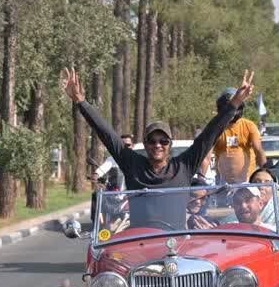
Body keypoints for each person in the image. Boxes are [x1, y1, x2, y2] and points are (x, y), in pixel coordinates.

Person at [61, 67, 253, 228]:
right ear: (145, 144)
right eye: (152, 141)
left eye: (163, 141)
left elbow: (210, 134)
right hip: (140, 246)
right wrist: (80, 101)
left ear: (170, 144)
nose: (157, 145)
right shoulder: (132, 164)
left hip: (175, 247)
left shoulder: (183, 166)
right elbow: (107, 134)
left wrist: (234, 103)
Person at [208, 92, 267, 184]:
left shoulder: (249, 126)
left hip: (247, 180)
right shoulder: (216, 127)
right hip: (223, 181)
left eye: (235, 108)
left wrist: (265, 172)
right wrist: (201, 178)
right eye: (228, 108)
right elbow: (206, 155)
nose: (232, 112)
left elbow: (258, 149)